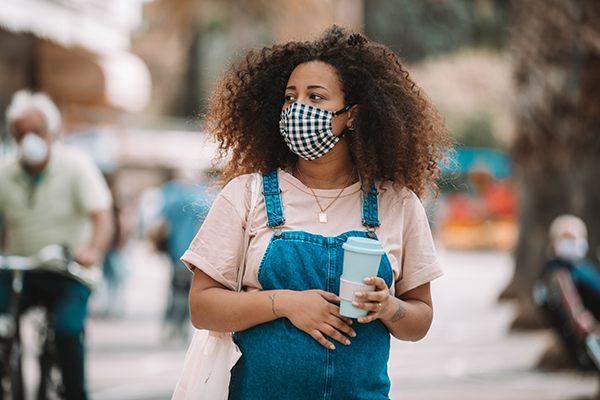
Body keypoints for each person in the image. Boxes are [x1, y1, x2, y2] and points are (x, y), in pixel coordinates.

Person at [181, 26, 451, 399]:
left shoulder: (398, 204)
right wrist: (286, 303)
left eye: (316, 97)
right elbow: (202, 307)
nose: (298, 109)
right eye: (290, 98)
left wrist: (389, 307)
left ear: (352, 115)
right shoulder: (247, 195)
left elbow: (419, 319)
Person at [0, 90, 113, 400]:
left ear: (51, 132)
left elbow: (103, 217)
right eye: (20, 133)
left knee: (65, 331)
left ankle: (76, 393)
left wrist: (93, 251)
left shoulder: (76, 165)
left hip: (69, 271)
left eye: (35, 132)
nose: (28, 140)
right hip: (19, 271)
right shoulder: (5, 173)